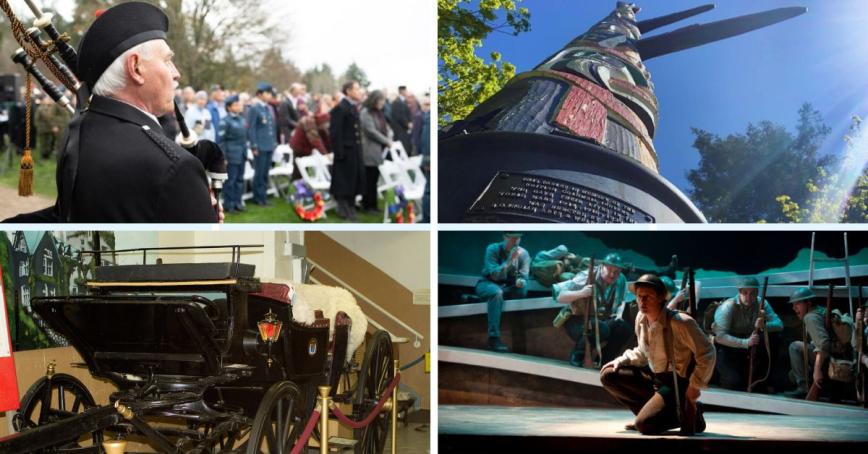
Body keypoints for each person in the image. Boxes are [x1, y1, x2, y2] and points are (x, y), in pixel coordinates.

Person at [7, 1, 218, 223]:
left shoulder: (76, 131)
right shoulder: (175, 166)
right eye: (167, 61)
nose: (176, 73)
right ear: (135, 68)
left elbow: (74, 217)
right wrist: (203, 211)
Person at [600, 274, 714, 435]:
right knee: (609, 374)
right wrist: (622, 359)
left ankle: (690, 414)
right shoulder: (641, 318)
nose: (642, 301)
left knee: (644, 426)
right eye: (640, 296)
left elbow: (707, 352)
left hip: (676, 383)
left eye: (648, 296)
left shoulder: (680, 322)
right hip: (656, 378)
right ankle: (652, 415)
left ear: (661, 298)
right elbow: (642, 351)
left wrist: (695, 385)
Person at [553, 252, 630, 367]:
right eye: (609, 270)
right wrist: (581, 293)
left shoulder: (621, 280)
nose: (612, 275)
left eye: (616, 272)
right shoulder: (587, 276)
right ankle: (577, 355)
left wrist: (618, 315)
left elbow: (622, 300)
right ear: (602, 266)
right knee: (600, 327)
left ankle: (604, 360)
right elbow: (559, 296)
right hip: (577, 320)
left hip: (601, 320)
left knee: (624, 329)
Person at [712, 276, 783, 391]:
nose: (749, 297)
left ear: (757, 293)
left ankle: (767, 380)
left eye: (752, 293)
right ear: (739, 291)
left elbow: (779, 324)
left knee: (775, 337)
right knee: (733, 382)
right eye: (745, 293)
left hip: (752, 347)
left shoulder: (762, 303)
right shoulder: (727, 307)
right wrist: (745, 342)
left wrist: (763, 326)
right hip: (729, 348)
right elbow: (720, 337)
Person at [476, 232, 530, 352]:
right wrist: (509, 261)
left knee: (522, 291)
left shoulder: (524, 253)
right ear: (504, 237)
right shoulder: (493, 249)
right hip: (488, 283)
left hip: (508, 287)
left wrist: (521, 281)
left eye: (518, 238)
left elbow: (524, 276)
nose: (516, 241)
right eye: (512, 238)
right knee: (496, 293)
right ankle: (493, 338)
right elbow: (495, 275)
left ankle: (520, 345)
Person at [782, 287, 836, 398]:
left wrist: (817, 371)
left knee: (794, 347)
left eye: (797, 304)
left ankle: (803, 388)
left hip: (830, 361)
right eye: (793, 304)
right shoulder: (820, 311)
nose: (794, 308)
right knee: (793, 374)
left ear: (808, 303)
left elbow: (823, 345)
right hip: (833, 358)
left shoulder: (810, 317)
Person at [329, 80, 365, 221]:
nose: (359, 91)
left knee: (353, 179)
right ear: (348, 91)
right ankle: (343, 208)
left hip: (354, 150)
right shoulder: (341, 108)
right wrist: (339, 153)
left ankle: (350, 205)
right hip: (345, 152)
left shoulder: (352, 107)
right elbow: (335, 133)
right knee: (344, 181)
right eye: (356, 89)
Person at [359, 90, 393, 214]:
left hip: (377, 150)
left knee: (374, 180)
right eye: (381, 100)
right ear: (374, 100)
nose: (383, 103)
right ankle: (368, 205)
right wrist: (386, 141)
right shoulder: (365, 112)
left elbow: (384, 127)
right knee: (369, 180)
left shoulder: (377, 112)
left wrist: (388, 136)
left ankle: (373, 204)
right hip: (369, 150)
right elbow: (371, 131)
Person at [247, 82, 278, 206]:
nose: (270, 95)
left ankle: (263, 196)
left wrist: (273, 142)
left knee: (265, 172)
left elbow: (271, 127)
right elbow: (252, 128)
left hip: (268, 145)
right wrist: (254, 145)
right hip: (260, 146)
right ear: (260, 94)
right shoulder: (255, 108)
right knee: (259, 173)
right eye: (267, 93)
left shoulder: (267, 107)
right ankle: (258, 197)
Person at [218, 95, 247, 213]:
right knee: (231, 181)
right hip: (231, 154)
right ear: (229, 107)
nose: (239, 106)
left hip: (242, 154)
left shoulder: (241, 119)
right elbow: (221, 141)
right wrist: (223, 156)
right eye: (236, 105)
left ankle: (238, 203)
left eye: (239, 104)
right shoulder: (225, 121)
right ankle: (229, 205)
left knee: (240, 180)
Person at [389, 85, 413, 155]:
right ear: (402, 91)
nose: (407, 92)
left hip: (404, 129)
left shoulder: (403, 101)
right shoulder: (396, 102)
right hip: (399, 129)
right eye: (406, 90)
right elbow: (399, 116)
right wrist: (407, 124)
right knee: (402, 149)